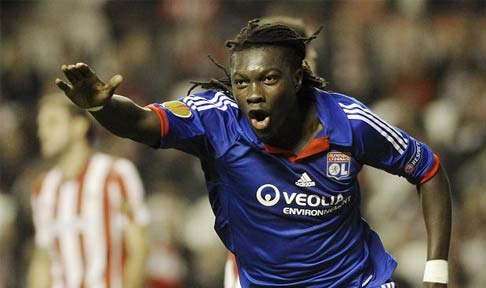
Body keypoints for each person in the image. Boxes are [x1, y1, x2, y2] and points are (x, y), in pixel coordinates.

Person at [55, 19, 452, 288]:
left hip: (355, 280)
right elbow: (141, 123)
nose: (254, 94)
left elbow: (429, 170)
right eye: (241, 82)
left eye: (269, 78)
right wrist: (100, 107)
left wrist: (436, 270)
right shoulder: (216, 119)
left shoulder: (350, 122)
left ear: (297, 78)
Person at [28, 92, 149, 288]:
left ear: (79, 126)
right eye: (40, 126)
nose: (42, 133)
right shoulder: (43, 188)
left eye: (52, 123)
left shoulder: (116, 174)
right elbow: (43, 259)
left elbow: (138, 250)